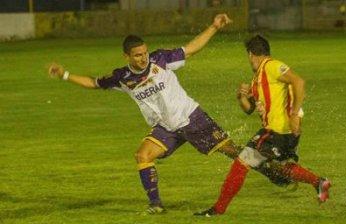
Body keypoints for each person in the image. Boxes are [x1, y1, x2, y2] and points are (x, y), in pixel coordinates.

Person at [48, 15, 296, 215]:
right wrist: (65, 74)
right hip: (165, 128)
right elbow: (94, 82)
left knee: (235, 153)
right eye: (137, 55)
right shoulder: (122, 77)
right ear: (127, 57)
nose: (143, 57)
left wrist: (214, 26)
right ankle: (155, 204)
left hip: (192, 118)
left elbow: (190, 49)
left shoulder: (161, 59)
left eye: (144, 52)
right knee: (142, 155)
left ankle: (275, 173)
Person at [195, 35, 331, 216]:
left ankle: (218, 209)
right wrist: (241, 96)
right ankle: (319, 182)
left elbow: (299, 82)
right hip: (282, 133)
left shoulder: (271, 66)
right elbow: (248, 109)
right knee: (279, 168)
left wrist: (294, 114)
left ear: (251, 54)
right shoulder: (258, 78)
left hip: (277, 130)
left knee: (242, 162)